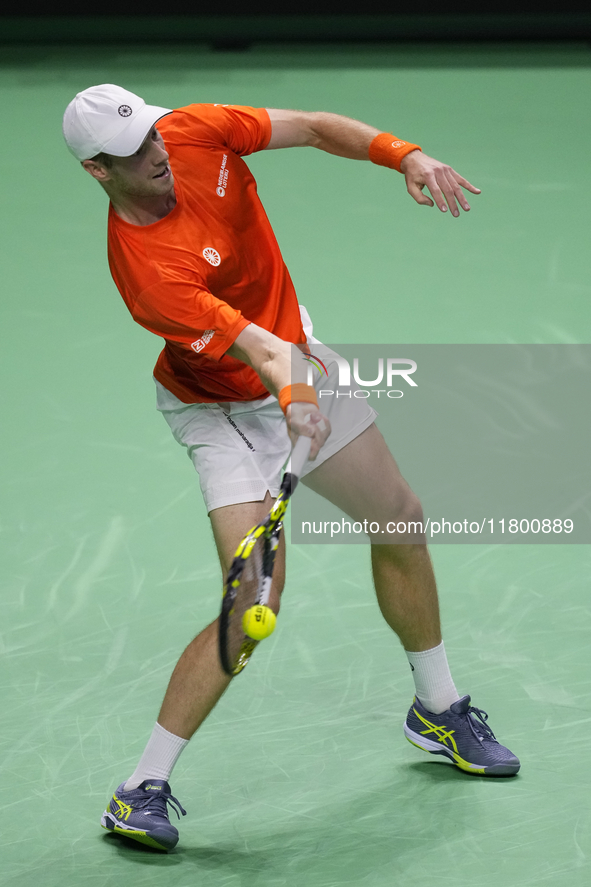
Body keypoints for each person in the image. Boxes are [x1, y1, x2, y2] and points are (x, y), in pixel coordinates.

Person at [62, 84, 520, 853]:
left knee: (399, 518)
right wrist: (297, 397)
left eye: (151, 132)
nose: (158, 150)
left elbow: (310, 126)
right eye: (136, 151)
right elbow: (264, 355)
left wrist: (403, 155)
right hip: (221, 414)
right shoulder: (149, 273)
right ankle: (140, 787)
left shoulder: (193, 131)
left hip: (298, 375)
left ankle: (437, 708)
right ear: (97, 171)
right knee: (249, 608)